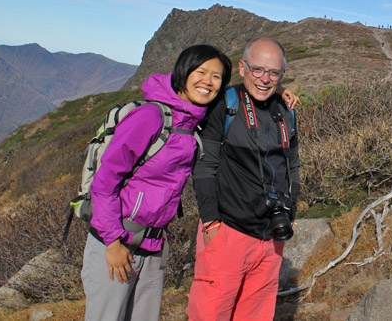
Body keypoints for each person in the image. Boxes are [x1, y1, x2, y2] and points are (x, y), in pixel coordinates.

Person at [81, 44, 297, 321]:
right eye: (200, 72)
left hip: (154, 243)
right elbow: (104, 183)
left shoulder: (196, 115)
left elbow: (253, 84)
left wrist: (277, 89)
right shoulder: (150, 116)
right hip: (117, 239)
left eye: (216, 76)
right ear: (183, 72)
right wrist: (111, 242)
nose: (207, 81)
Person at [187, 37, 300, 321]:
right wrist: (211, 220)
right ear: (242, 67)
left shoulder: (285, 111)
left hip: (271, 236)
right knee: (211, 314)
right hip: (228, 231)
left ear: (282, 75)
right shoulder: (225, 104)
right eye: (257, 69)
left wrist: (291, 209)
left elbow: (292, 165)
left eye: (274, 73)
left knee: (256, 315)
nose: (265, 79)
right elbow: (205, 165)